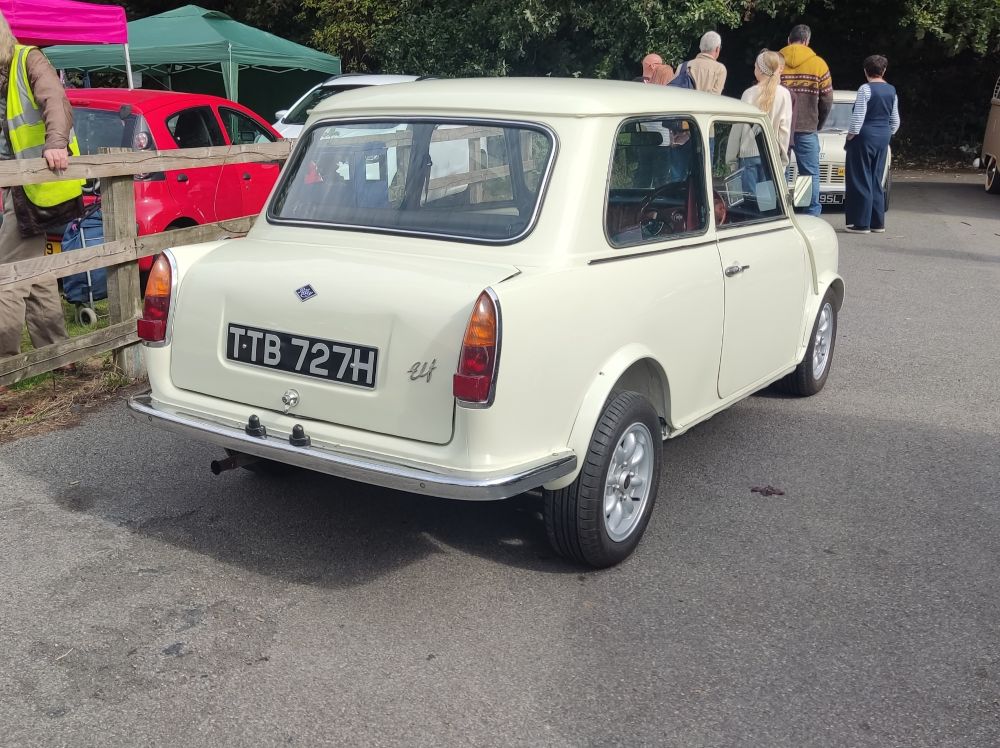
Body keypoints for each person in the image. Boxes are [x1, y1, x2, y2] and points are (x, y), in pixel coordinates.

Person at [0, 11, 82, 360]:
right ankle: (59, 355)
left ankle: (4, 365)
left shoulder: (28, 58)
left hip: (40, 184)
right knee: (37, 273)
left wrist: (56, 143)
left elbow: (56, 101)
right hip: (20, 186)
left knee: (7, 274)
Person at [780, 23, 833, 216]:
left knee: (780, 172)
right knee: (808, 174)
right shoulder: (818, 63)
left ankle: (783, 212)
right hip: (807, 126)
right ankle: (807, 212)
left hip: (780, 128)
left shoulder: (776, 61)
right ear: (807, 41)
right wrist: (818, 123)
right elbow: (827, 99)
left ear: (789, 39)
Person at [844, 55, 900, 233]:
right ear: (884, 71)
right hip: (883, 136)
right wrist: (887, 132)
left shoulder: (865, 89)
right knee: (876, 178)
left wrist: (851, 135)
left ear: (865, 71)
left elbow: (858, 116)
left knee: (860, 178)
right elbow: (895, 120)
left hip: (864, 135)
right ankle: (878, 222)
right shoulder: (892, 90)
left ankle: (861, 223)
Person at [725, 50, 793, 196]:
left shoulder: (748, 93)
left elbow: (737, 128)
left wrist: (731, 159)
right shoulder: (784, 94)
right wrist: (783, 161)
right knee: (766, 206)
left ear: (761, 70)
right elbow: (784, 132)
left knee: (750, 206)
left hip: (748, 157)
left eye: (755, 66)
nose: (754, 69)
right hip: (771, 157)